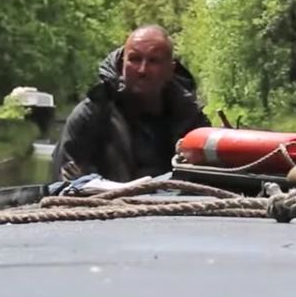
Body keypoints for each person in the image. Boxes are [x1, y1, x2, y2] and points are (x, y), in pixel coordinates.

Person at [50, 25, 210, 182]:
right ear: (121, 65)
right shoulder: (92, 113)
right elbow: (64, 180)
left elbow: (210, 180)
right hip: (101, 205)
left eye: (153, 61)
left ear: (170, 70)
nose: (142, 70)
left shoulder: (190, 119)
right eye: (134, 59)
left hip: (176, 205)